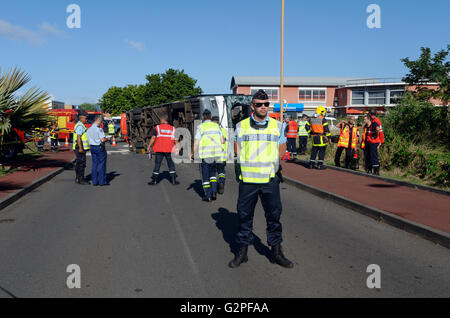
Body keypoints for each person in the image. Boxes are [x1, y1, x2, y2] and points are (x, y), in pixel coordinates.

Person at [229, 89, 293, 269]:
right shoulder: (241, 126)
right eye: (259, 104)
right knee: (244, 216)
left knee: (274, 216)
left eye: (266, 104)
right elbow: (237, 148)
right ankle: (242, 252)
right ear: (252, 106)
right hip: (248, 181)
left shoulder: (277, 125)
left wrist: (271, 164)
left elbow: (282, 148)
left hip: (269, 180)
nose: (263, 107)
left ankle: (276, 252)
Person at [192, 110, 224, 202]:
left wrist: (192, 153)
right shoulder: (217, 126)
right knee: (213, 175)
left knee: (205, 177)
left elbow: (197, 142)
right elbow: (222, 141)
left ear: (203, 117)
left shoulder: (201, 127)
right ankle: (214, 192)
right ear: (210, 116)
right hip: (216, 154)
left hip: (206, 155)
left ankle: (208, 195)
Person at [147, 114, 179, 186]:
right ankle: (173, 180)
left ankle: (155, 180)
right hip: (169, 149)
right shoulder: (173, 129)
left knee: (157, 164)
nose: (160, 121)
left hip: (159, 149)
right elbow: (176, 140)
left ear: (163, 120)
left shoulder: (157, 128)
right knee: (171, 165)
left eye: (160, 119)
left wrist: (149, 146)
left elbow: (153, 138)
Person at [87, 115, 111, 186]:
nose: (101, 122)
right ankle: (102, 181)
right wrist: (108, 138)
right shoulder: (99, 129)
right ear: (99, 120)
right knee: (101, 164)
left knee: (94, 164)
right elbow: (102, 139)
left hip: (92, 147)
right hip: (99, 147)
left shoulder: (89, 129)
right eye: (101, 121)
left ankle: (95, 181)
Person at [73, 110, 91, 185]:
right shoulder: (80, 126)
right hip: (80, 148)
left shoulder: (79, 125)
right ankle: (81, 179)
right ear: (81, 118)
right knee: (81, 164)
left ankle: (78, 178)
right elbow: (78, 137)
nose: (86, 120)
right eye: (85, 118)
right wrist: (80, 148)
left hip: (79, 147)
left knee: (79, 163)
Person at [366, 109, 384, 175]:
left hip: (373, 141)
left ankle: (376, 171)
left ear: (370, 114)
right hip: (374, 141)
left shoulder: (375, 121)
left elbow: (377, 129)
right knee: (373, 156)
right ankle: (375, 170)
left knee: (373, 156)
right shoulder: (376, 120)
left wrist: (375, 135)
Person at [213, 116, 228, 195]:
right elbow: (227, 143)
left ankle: (214, 188)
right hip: (222, 156)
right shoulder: (224, 131)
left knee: (213, 173)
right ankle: (221, 182)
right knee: (221, 171)